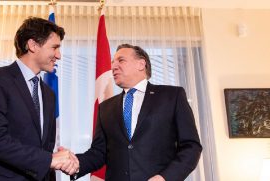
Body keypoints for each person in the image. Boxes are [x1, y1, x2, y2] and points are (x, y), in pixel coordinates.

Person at [0, 17, 78, 181]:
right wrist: (50, 159)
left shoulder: (49, 94)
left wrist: (63, 160)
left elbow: (44, 149)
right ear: (33, 45)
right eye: (54, 47)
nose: (59, 55)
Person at [72, 44, 202, 181]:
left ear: (141, 64)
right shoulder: (105, 107)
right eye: (113, 62)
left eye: (121, 60)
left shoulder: (172, 96)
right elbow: (99, 153)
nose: (113, 67)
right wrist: (75, 163)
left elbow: (191, 147)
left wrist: (165, 177)